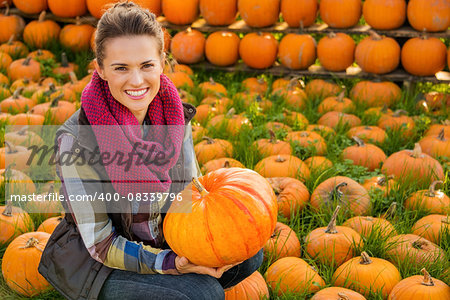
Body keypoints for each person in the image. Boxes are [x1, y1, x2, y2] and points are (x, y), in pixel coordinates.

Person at [38, 2, 263, 300]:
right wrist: (172, 264)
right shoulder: (77, 140)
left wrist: (203, 246)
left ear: (161, 62)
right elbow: (101, 244)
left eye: (146, 65)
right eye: (121, 68)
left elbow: (191, 194)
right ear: (101, 69)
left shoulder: (174, 115)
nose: (136, 81)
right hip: (102, 264)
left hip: (163, 239)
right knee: (202, 294)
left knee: (249, 255)